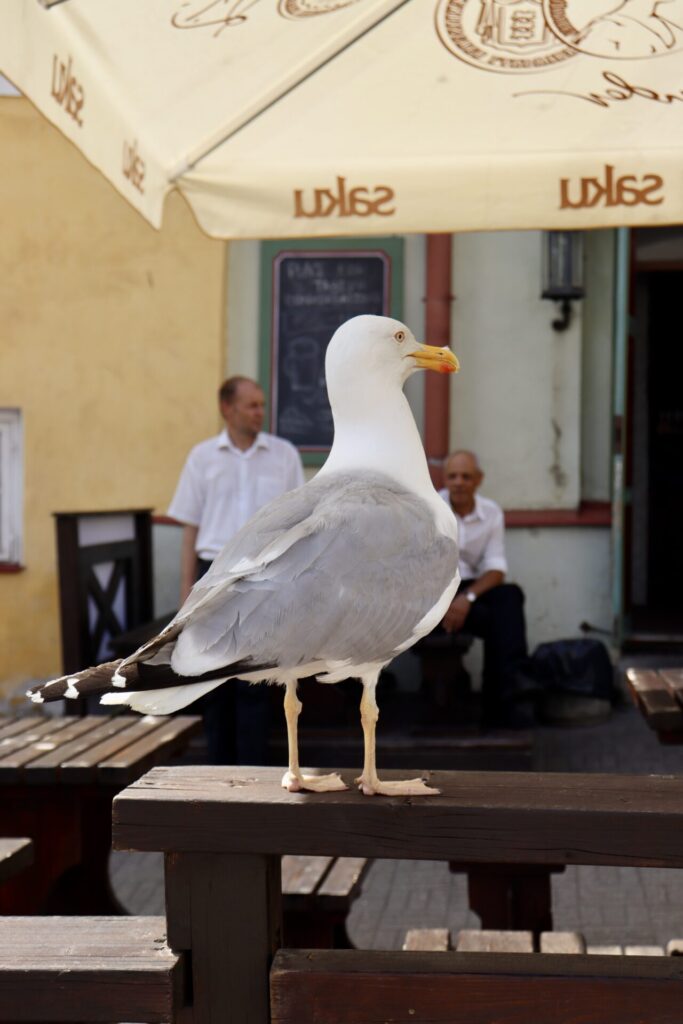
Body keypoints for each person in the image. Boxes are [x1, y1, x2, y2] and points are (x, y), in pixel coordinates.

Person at [168, 375, 305, 763]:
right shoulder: (202, 457)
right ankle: (217, 771)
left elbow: (299, 524)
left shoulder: (284, 456)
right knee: (211, 676)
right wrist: (185, 596)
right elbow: (190, 527)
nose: (260, 412)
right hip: (213, 576)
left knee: (254, 677)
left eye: (261, 404)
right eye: (252, 405)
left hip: (266, 576)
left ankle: (254, 775)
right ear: (227, 409)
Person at [434, 449, 534, 728]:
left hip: (470, 591)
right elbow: (418, 566)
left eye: (466, 476)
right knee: (499, 622)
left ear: (478, 480)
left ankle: (503, 700)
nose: (459, 482)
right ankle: (505, 700)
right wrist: (447, 601)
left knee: (510, 598)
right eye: (453, 476)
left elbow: (496, 568)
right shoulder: (430, 509)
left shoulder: (490, 513)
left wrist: (468, 598)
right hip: (434, 591)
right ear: (444, 478)